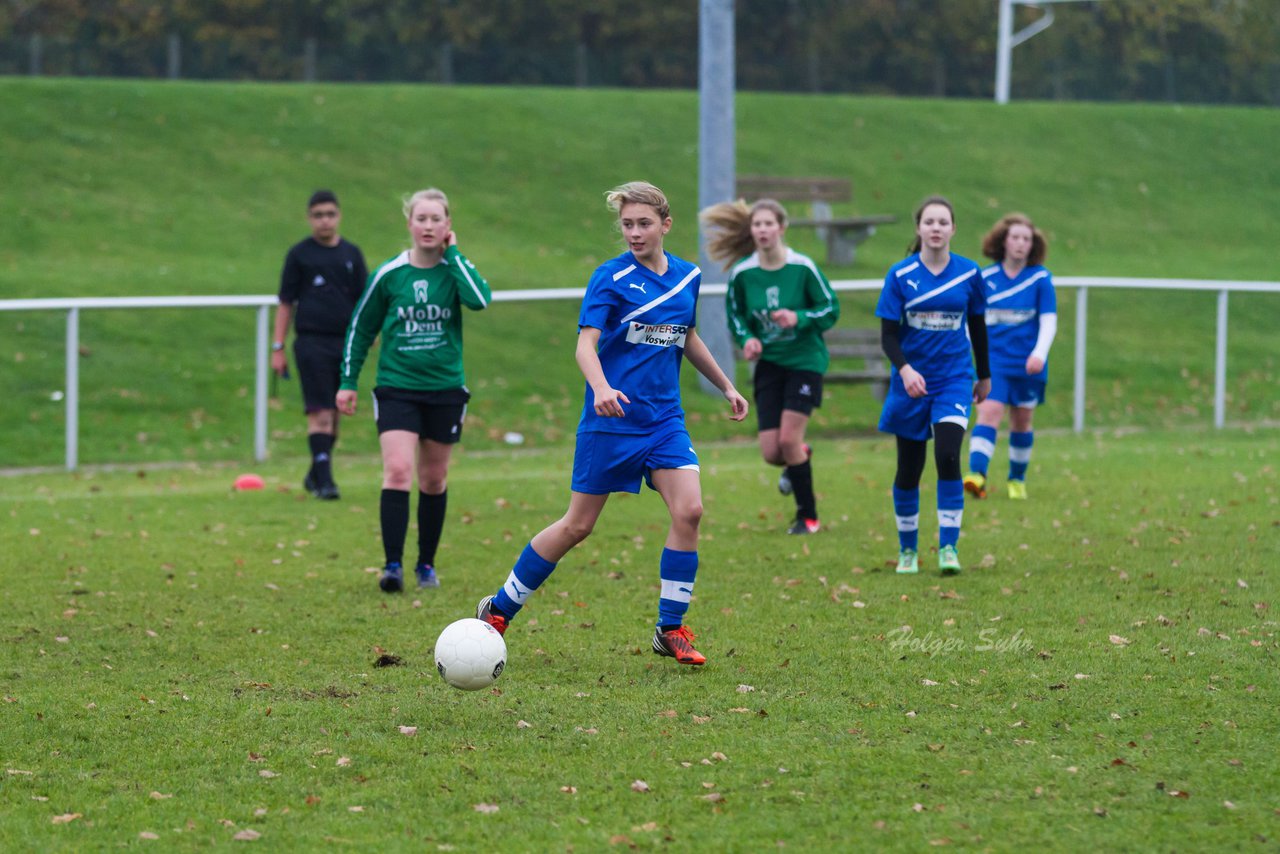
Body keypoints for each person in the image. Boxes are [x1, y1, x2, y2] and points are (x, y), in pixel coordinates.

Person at [475, 181, 748, 666]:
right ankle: (499, 608)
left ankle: (671, 628)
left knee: (690, 512)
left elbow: (685, 336)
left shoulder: (688, 277)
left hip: (664, 422)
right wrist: (601, 387)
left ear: (666, 224)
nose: (635, 233)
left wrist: (726, 385)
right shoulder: (610, 277)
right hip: (611, 422)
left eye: (644, 224)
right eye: (627, 225)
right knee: (578, 525)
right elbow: (585, 344)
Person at [336, 188, 492, 592]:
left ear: (447, 226)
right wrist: (348, 382)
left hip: (444, 390)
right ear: (409, 224)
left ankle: (426, 564)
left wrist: (454, 256)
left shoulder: (455, 270)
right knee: (399, 470)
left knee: (434, 479)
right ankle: (392, 566)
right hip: (397, 387)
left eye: (436, 219)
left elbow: (480, 300)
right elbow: (360, 328)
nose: (427, 226)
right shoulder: (390, 274)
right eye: (420, 218)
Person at [701, 198, 840, 535]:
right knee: (771, 452)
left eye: (768, 224)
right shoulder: (744, 274)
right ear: (751, 230)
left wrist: (799, 317)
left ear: (782, 227)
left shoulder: (802, 267)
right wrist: (747, 339)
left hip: (805, 362)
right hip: (769, 366)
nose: (762, 230)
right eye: (757, 224)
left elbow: (831, 308)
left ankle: (808, 517)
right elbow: (735, 318)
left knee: (789, 441)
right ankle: (801, 457)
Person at [876, 196, 990, 575]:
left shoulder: (969, 274)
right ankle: (908, 551)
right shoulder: (900, 275)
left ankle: (948, 548)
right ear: (919, 228)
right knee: (909, 467)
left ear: (953, 229)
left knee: (947, 456)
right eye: (930, 222)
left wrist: (984, 375)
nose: (936, 228)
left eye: (943, 222)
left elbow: (977, 327)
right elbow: (889, 336)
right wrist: (906, 370)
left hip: (954, 379)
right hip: (911, 382)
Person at [272, 189, 368, 500]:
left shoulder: (352, 255)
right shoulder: (299, 255)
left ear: (338, 216)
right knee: (321, 413)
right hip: (311, 343)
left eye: (330, 214)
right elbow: (286, 302)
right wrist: (277, 347)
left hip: (345, 344)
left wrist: (370, 335)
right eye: (318, 215)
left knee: (336, 413)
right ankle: (326, 483)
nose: (324, 221)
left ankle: (316, 472)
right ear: (309, 218)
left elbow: (366, 302)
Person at [964, 213, 1057, 501]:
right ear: (1003, 241)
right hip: (994, 364)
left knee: (1022, 421)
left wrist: (1039, 353)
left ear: (1033, 245)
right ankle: (977, 475)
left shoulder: (1040, 279)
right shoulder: (985, 278)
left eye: (1026, 239)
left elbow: (1049, 320)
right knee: (989, 413)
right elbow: (971, 322)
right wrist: (975, 357)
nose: (1020, 243)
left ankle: (1017, 480)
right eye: (1015, 237)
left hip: (1028, 364)